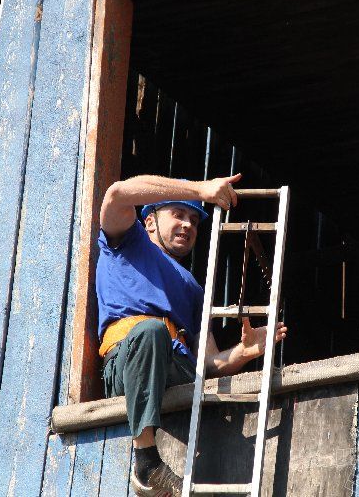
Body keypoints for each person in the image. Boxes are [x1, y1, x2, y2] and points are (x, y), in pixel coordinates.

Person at [97, 174, 287, 497]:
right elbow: (116, 194)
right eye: (179, 215)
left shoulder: (194, 288)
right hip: (128, 365)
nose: (188, 225)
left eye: (195, 221)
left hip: (176, 369)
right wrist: (200, 189)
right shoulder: (126, 241)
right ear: (150, 221)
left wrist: (243, 352)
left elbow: (209, 363)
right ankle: (146, 464)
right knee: (151, 331)